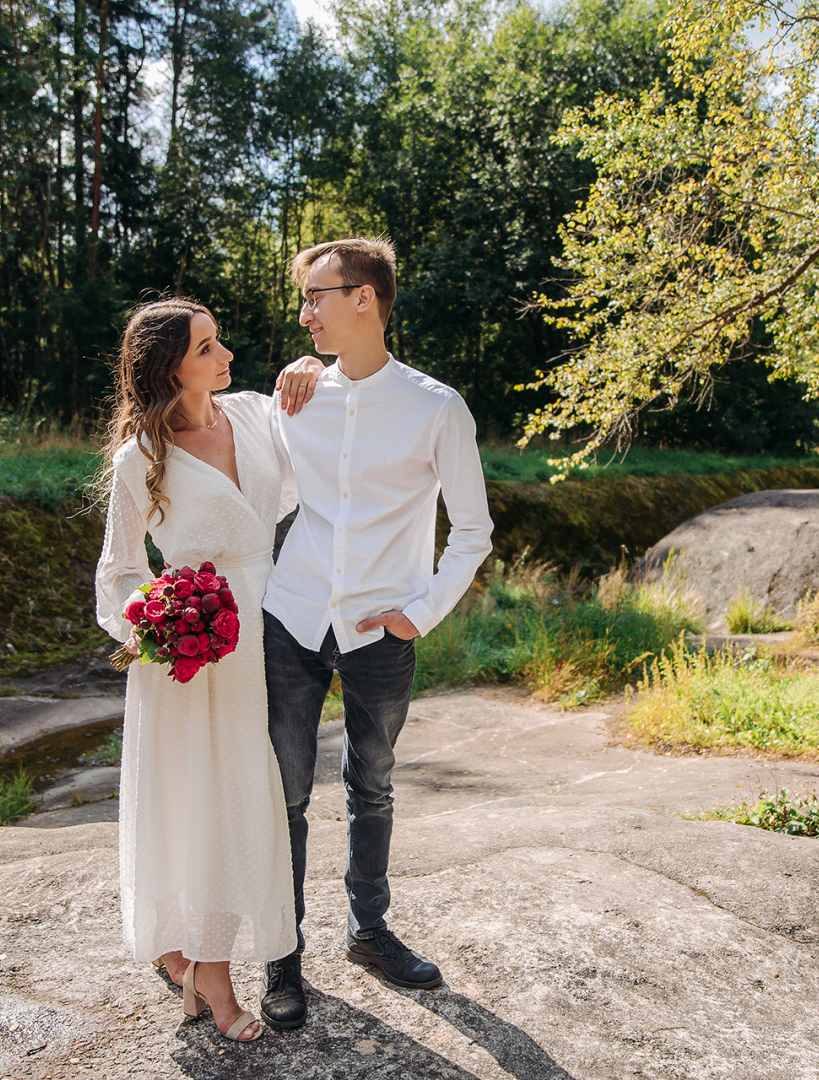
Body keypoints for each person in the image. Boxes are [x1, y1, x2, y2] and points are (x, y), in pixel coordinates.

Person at [258, 237, 495, 1031]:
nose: (305, 312)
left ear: (365, 298)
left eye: (317, 296)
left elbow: (472, 531)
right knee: (284, 794)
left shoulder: (437, 407)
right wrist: (298, 370)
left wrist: (417, 613)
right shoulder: (295, 398)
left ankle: (368, 932)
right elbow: (252, 477)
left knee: (374, 784)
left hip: (379, 632)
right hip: (290, 616)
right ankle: (280, 957)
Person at [95, 296, 302, 1044]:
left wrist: (310, 368)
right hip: (192, 654)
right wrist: (158, 622)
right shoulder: (137, 459)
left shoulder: (251, 414)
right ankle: (209, 972)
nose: (226, 357)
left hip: (263, 628)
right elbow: (118, 573)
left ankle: (194, 962)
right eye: (208, 348)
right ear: (170, 369)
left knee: (246, 794)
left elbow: (316, 422)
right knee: (199, 802)